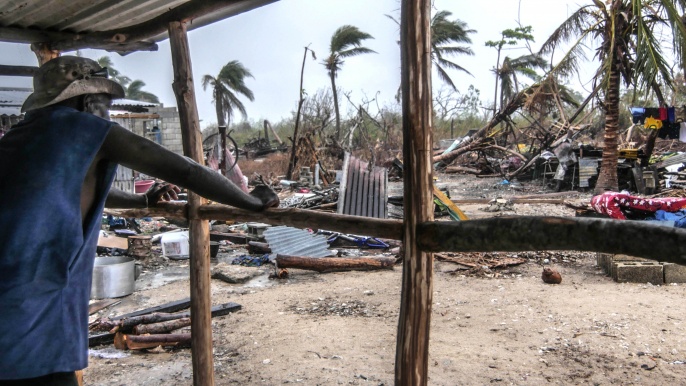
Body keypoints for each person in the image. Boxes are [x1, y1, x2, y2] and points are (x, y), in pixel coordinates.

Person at [0, 56, 279, 385]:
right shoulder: (88, 128)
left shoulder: (20, 137)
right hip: (33, 315)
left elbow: (74, 185)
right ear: (87, 99)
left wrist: (143, 200)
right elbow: (184, 169)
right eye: (104, 102)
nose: (106, 111)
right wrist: (251, 201)